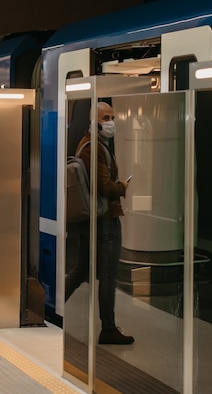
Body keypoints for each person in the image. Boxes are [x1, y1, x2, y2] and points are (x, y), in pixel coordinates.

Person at [65, 101, 134, 345]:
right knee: (108, 275)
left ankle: (49, 307)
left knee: (81, 269)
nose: (111, 122)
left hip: (90, 220)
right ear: (94, 121)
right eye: (106, 118)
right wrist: (121, 187)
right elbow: (103, 186)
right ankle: (108, 328)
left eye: (112, 117)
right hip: (104, 221)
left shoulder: (87, 144)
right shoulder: (94, 148)